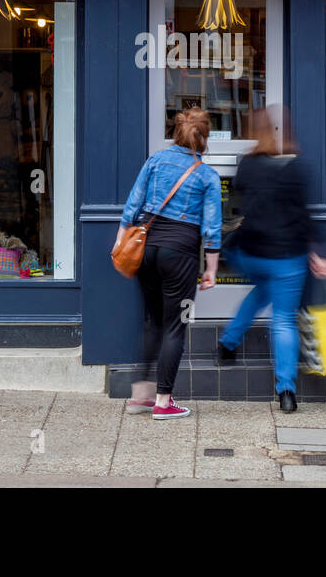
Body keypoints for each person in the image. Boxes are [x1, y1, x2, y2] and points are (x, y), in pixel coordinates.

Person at [217, 107, 326, 413]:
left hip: (251, 254)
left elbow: (240, 206)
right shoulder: (297, 169)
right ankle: (286, 392)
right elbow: (302, 216)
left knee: (262, 292)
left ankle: (228, 343)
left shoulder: (247, 166)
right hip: (286, 257)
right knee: (283, 319)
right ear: (277, 133)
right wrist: (317, 255)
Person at [119, 107, 222, 420]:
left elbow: (133, 203)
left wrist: (120, 240)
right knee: (176, 326)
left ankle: (140, 395)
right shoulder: (207, 175)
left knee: (152, 321)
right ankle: (163, 401)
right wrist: (211, 268)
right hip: (181, 253)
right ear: (203, 138)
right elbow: (212, 228)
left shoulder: (156, 160)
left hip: (146, 246)